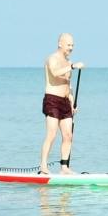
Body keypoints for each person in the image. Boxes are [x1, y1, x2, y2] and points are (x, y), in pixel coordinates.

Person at [39, 33, 84, 174]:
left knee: (68, 135)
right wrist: (72, 66)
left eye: (72, 45)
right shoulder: (52, 58)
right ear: (60, 43)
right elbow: (55, 73)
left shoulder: (67, 62)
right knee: (51, 134)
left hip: (65, 102)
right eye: (68, 44)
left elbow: (68, 84)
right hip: (52, 100)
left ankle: (64, 167)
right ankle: (43, 165)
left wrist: (71, 101)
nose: (71, 48)